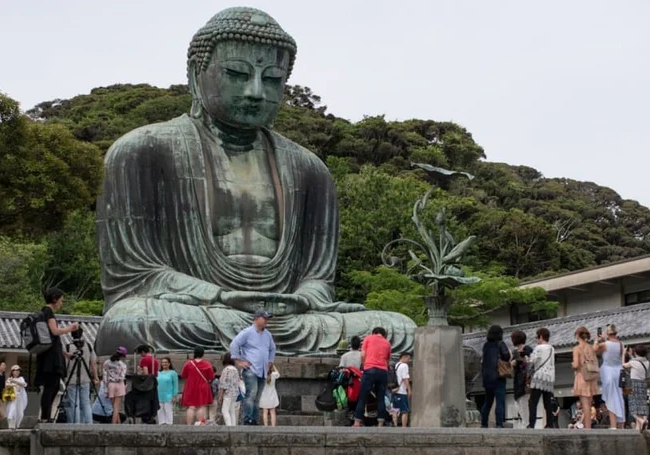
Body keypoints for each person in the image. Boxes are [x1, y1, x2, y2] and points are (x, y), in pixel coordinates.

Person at [93, 7, 416, 359]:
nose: (256, 92)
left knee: (401, 327)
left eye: (273, 79)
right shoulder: (142, 151)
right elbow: (136, 274)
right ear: (195, 74)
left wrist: (305, 299)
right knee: (131, 321)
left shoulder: (310, 169)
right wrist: (217, 295)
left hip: (291, 316)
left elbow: (318, 278)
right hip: (200, 310)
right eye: (237, 74)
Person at [35, 288, 79, 422]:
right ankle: (45, 417)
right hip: (51, 358)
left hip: (46, 355)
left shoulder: (42, 312)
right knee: (51, 387)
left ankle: (45, 416)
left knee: (51, 387)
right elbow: (54, 332)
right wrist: (70, 328)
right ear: (55, 299)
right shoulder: (48, 312)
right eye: (61, 300)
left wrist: (63, 353)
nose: (61, 303)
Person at [230, 310, 276, 425]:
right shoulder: (247, 332)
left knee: (257, 397)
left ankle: (254, 419)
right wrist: (238, 361)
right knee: (251, 393)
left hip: (263, 370)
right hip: (251, 368)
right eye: (264, 318)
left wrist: (270, 361)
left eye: (267, 318)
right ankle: (247, 418)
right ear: (256, 319)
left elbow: (272, 348)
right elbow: (234, 344)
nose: (266, 321)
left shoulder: (268, 335)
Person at [353, 327, 392, 428]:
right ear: (384, 334)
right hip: (383, 371)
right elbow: (387, 361)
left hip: (369, 369)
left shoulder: (368, 338)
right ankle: (380, 423)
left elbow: (363, 355)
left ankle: (357, 422)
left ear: (374, 333)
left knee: (363, 397)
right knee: (380, 398)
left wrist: (364, 365)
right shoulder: (387, 343)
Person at [63, 328, 99, 424]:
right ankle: (89, 424)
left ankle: (76, 424)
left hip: (71, 379)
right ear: (82, 334)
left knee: (75, 404)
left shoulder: (67, 347)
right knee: (86, 403)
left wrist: (64, 378)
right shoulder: (88, 346)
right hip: (85, 379)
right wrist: (96, 377)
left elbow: (65, 366)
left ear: (71, 335)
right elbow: (93, 363)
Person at [594, 324, 625, 429]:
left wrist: (597, 340)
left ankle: (613, 425)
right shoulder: (621, 344)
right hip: (618, 371)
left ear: (607, 333)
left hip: (608, 372)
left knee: (611, 399)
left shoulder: (605, 344)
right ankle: (621, 424)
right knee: (619, 398)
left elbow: (594, 350)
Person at [480, 325, 511, 428]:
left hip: (487, 377)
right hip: (498, 376)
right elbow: (506, 356)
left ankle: (484, 423)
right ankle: (498, 424)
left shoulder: (486, 345)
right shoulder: (501, 344)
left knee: (488, 401)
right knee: (499, 401)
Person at [527, 328, 556, 429]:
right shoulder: (552, 348)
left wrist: (527, 360)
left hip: (539, 377)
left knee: (533, 402)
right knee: (547, 402)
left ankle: (531, 424)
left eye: (536, 337)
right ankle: (550, 424)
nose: (536, 339)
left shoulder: (538, 348)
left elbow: (532, 362)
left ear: (541, 337)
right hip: (549, 378)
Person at [571, 327, 598, 430]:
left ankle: (587, 428)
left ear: (577, 335)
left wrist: (572, 365)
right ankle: (589, 426)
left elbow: (576, 364)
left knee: (585, 404)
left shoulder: (577, 348)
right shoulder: (590, 347)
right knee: (589, 402)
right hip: (591, 375)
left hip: (582, 376)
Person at [180, 346, 215, 425]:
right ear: (203, 354)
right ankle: (200, 424)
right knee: (201, 406)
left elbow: (183, 375)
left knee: (191, 407)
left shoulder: (188, 364)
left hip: (190, 386)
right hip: (203, 386)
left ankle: (189, 424)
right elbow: (211, 377)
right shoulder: (207, 364)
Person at [624, 345, 650, 431]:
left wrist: (623, 354)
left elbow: (623, 365)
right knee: (641, 404)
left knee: (632, 405)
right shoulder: (647, 362)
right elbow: (636, 360)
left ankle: (641, 421)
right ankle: (639, 426)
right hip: (643, 384)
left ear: (636, 353)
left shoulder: (633, 362)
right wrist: (631, 354)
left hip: (633, 384)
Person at [511, 331, 533, 429]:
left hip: (526, 379)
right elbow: (511, 364)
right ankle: (525, 423)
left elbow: (530, 362)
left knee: (524, 402)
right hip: (517, 380)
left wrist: (519, 360)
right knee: (518, 402)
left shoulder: (527, 349)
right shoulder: (515, 352)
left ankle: (526, 424)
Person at [103, 346, 128, 424]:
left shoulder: (106, 362)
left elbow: (104, 376)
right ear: (123, 356)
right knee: (116, 407)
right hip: (119, 385)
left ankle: (119, 424)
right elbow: (122, 377)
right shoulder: (122, 365)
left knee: (114, 406)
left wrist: (106, 386)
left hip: (110, 385)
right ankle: (114, 425)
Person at [218, 353, 241, 426]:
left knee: (224, 410)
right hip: (235, 393)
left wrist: (220, 396)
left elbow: (222, 384)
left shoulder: (226, 370)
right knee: (232, 411)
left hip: (228, 393)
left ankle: (229, 426)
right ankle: (233, 426)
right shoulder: (235, 370)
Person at [156, 357, 178, 425]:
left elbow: (175, 385)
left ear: (169, 363)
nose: (164, 364)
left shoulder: (173, 373)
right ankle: (161, 424)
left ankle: (169, 425)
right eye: (162, 362)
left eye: (166, 362)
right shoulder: (158, 373)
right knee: (160, 411)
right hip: (159, 395)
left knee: (168, 411)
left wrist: (174, 395)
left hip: (168, 396)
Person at [5, 365, 28, 430]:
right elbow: (7, 385)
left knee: (20, 413)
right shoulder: (9, 379)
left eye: (18, 371)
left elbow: (24, 384)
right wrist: (14, 384)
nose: (17, 372)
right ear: (12, 371)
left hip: (20, 398)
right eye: (15, 370)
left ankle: (17, 425)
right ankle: (11, 426)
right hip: (12, 398)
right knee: (11, 411)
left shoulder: (21, 378)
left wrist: (14, 382)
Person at [393, 352, 412, 428]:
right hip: (402, 391)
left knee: (394, 409)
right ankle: (404, 428)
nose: (409, 360)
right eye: (408, 358)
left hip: (394, 390)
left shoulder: (396, 365)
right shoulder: (404, 366)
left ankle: (395, 425)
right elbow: (405, 378)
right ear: (404, 357)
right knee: (405, 411)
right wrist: (409, 389)